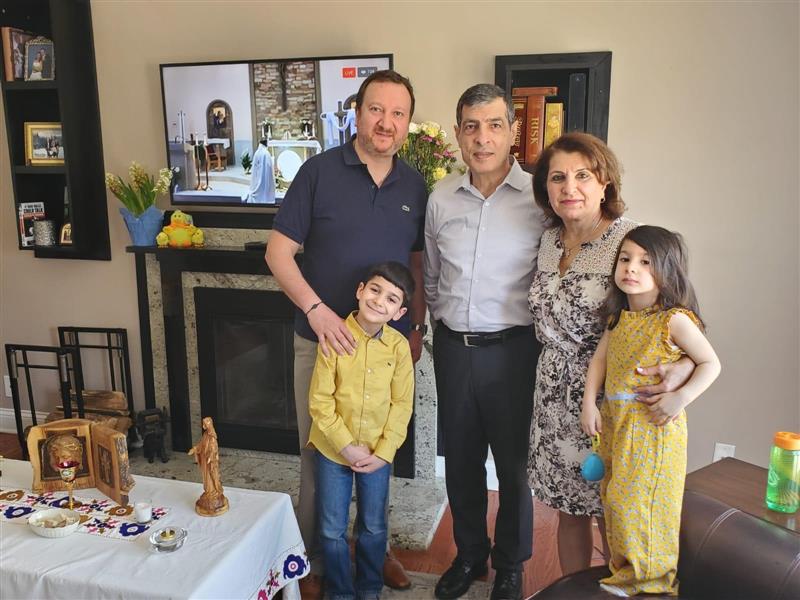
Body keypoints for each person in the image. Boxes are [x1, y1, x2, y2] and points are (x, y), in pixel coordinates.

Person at [265, 69, 427, 597]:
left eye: (398, 113)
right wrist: (317, 311)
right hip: (322, 343)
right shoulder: (317, 173)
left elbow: (417, 265)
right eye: (376, 109)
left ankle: (376, 552)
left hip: (385, 350)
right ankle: (312, 562)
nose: (386, 122)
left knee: (381, 449)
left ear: (407, 123)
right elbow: (278, 254)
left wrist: (416, 325)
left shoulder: (414, 185)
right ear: (357, 113)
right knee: (321, 456)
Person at [528, 133, 694, 577]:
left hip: (613, 402)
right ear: (546, 188)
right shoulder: (548, 240)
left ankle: (622, 586)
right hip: (553, 397)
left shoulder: (629, 241)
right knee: (569, 508)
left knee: (614, 509)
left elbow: (676, 316)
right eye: (557, 178)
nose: (570, 187)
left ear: (605, 184)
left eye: (583, 175)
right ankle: (574, 589)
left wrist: (681, 369)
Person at [424, 83, 546, 600]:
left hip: (516, 352)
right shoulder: (440, 198)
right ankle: (470, 554)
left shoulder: (540, 199)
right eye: (471, 127)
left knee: (514, 467)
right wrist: (443, 329)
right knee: (461, 460)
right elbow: (432, 276)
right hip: (454, 350)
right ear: (457, 134)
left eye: (495, 125)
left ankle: (511, 565)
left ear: (512, 132)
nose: (483, 138)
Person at [581, 226, 721, 596]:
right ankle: (625, 572)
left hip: (652, 429)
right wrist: (589, 403)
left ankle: (651, 581)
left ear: (667, 270)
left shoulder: (673, 320)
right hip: (617, 426)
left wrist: (681, 397)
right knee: (615, 498)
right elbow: (599, 362)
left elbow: (711, 363)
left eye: (646, 262)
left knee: (643, 504)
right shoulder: (619, 318)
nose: (632, 268)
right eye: (625, 259)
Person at [309, 262, 415, 600]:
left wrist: (384, 452)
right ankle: (340, 591)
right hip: (332, 450)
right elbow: (320, 401)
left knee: (373, 525)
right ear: (360, 290)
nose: (379, 301)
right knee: (331, 528)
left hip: (376, 454)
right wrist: (344, 445)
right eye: (375, 290)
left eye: (391, 299)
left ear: (399, 312)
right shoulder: (333, 336)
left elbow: (402, 404)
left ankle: (369, 588)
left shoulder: (398, 348)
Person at [188, 416, 229, 515]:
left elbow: (214, 449)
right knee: (206, 478)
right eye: (204, 425)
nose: (204, 426)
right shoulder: (205, 435)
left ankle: (213, 492)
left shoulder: (212, 437)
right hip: (205, 461)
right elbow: (201, 445)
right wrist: (195, 449)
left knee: (212, 477)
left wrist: (211, 457)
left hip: (210, 463)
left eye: (206, 425)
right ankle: (208, 492)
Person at [246, 139, 276, 204]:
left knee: (259, 187)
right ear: (266, 143)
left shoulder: (257, 153)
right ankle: (265, 198)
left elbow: (254, 168)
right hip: (266, 177)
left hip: (258, 177)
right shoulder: (266, 153)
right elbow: (269, 168)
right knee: (266, 188)